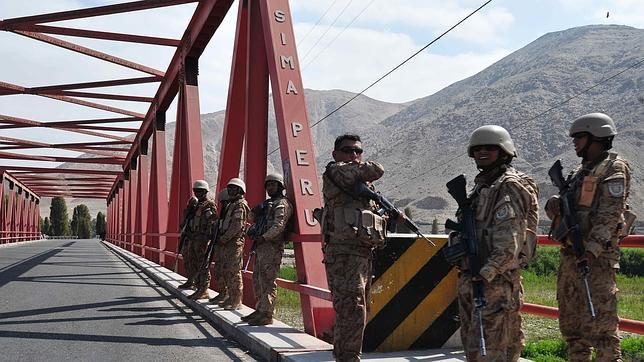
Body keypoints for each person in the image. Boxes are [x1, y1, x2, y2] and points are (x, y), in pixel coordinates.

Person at [545, 113, 631, 361]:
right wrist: (555, 204)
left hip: (597, 262)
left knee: (603, 332)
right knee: (573, 331)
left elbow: (609, 215)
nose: (574, 142)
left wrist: (590, 251)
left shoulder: (614, 168)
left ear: (597, 137)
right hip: (572, 259)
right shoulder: (578, 172)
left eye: (579, 137)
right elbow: (569, 210)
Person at [451, 125, 537, 361]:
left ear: (504, 151)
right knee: (475, 348)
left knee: (493, 350)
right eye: (477, 148)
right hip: (475, 277)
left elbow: (510, 241)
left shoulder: (508, 185)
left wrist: (487, 271)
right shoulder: (484, 185)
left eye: (490, 148)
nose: (482, 152)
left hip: (494, 281)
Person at [321, 134, 389, 362]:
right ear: (335, 154)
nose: (354, 155)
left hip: (361, 253)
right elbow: (376, 169)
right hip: (343, 254)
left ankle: (343, 356)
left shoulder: (358, 184)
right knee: (352, 309)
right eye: (348, 150)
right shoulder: (337, 171)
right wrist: (361, 165)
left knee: (356, 309)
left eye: (358, 151)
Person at [242, 173, 293, 326]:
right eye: (268, 185)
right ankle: (260, 310)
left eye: (273, 184)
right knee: (258, 279)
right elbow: (250, 218)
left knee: (268, 280)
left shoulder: (282, 204)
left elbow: (279, 225)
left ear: (280, 186)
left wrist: (264, 237)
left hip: (271, 247)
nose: (270, 187)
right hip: (261, 247)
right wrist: (255, 211)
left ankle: (267, 314)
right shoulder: (267, 204)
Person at [216, 178, 250, 310]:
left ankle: (236, 300)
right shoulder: (232, 204)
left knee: (234, 272)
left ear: (240, 190)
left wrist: (224, 238)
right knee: (227, 271)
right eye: (229, 188)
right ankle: (230, 297)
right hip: (228, 243)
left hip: (234, 243)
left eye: (233, 188)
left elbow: (237, 225)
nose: (230, 190)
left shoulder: (240, 205)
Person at [180, 180, 218, 300]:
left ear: (205, 191)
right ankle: (192, 281)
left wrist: (206, 237)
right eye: (196, 191)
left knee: (202, 264)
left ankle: (203, 289)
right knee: (191, 260)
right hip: (192, 237)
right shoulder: (195, 205)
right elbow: (185, 222)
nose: (197, 193)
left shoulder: (209, 205)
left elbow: (212, 223)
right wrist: (188, 209)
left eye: (200, 191)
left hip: (202, 239)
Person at [210, 189, 231, 304]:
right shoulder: (224, 215)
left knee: (231, 272)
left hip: (230, 245)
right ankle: (223, 293)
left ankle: (233, 298)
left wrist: (223, 238)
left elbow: (236, 227)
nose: (224, 205)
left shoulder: (237, 208)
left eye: (225, 202)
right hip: (221, 245)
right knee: (219, 270)